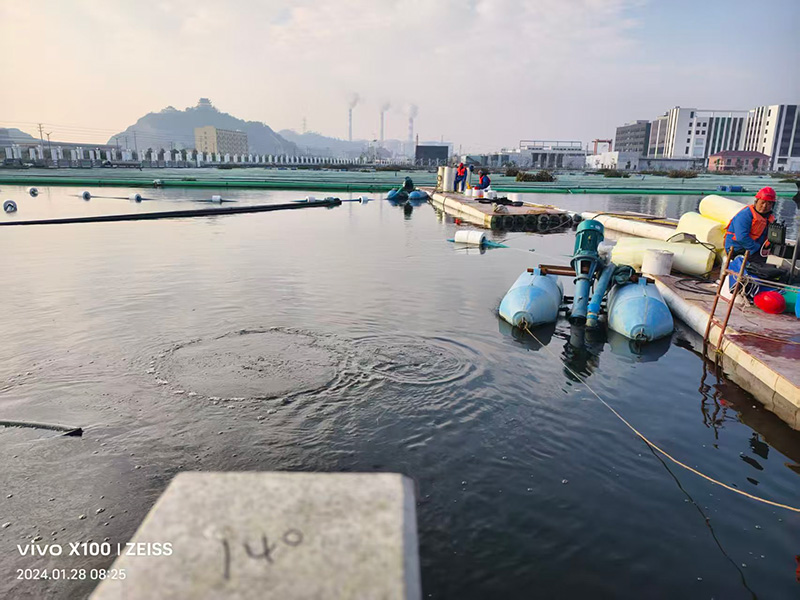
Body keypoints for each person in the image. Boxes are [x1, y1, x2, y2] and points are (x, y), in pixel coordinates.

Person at [723, 186, 776, 263]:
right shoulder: (745, 215)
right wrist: (758, 249)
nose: (764, 206)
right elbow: (741, 237)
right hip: (737, 248)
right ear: (756, 201)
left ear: (772, 205)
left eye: (769, 203)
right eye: (762, 202)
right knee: (766, 263)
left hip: (754, 248)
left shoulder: (769, 218)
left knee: (776, 259)